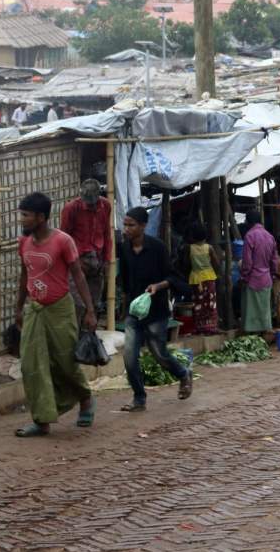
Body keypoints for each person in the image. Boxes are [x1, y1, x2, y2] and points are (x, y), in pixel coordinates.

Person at [13, 192, 97, 437]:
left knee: (65, 362)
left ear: (41, 217)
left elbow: (78, 276)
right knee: (32, 365)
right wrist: (19, 308)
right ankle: (42, 420)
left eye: (26, 215)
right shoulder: (24, 243)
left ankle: (85, 399)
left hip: (60, 309)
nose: (22, 220)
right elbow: (24, 276)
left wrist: (90, 310)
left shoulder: (63, 241)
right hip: (34, 310)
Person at [118, 206, 192, 413]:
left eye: (131, 225)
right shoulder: (124, 248)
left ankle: (183, 374)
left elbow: (173, 276)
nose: (126, 229)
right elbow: (124, 280)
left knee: (159, 353)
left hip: (156, 310)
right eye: (125, 225)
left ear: (143, 226)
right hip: (135, 310)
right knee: (129, 357)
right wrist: (125, 307)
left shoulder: (157, 248)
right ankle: (139, 398)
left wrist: (157, 287)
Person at [59, 178, 112, 326]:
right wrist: (72, 262)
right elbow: (64, 237)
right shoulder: (71, 208)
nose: (90, 205)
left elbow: (107, 233)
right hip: (78, 261)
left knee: (94, 304)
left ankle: (88, 340)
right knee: (78, 304)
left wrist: (107, 259)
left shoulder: (105, 206)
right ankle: (74, 341)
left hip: (98, 260)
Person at [240, 210, 277, 336]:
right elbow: (274, 261)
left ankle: (253, 337)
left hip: (253, 279)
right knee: (264, 310)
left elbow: (247, 262)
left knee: (251, 311)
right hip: (266, 278)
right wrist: (272, 274)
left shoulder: (250, 236)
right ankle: (265, 336)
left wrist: (244, 275)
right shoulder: (270, 236)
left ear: (249, 222)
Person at [186, 222, 221, 335]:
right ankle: (211, 327)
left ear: (192, 236)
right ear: (205, 236)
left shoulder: (190, 248)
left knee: (198, 303)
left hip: (196, 279)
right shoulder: (209, 248)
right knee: (210, 303)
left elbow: (187, 264)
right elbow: (216, 263)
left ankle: (199, 327)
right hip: (209, 278)